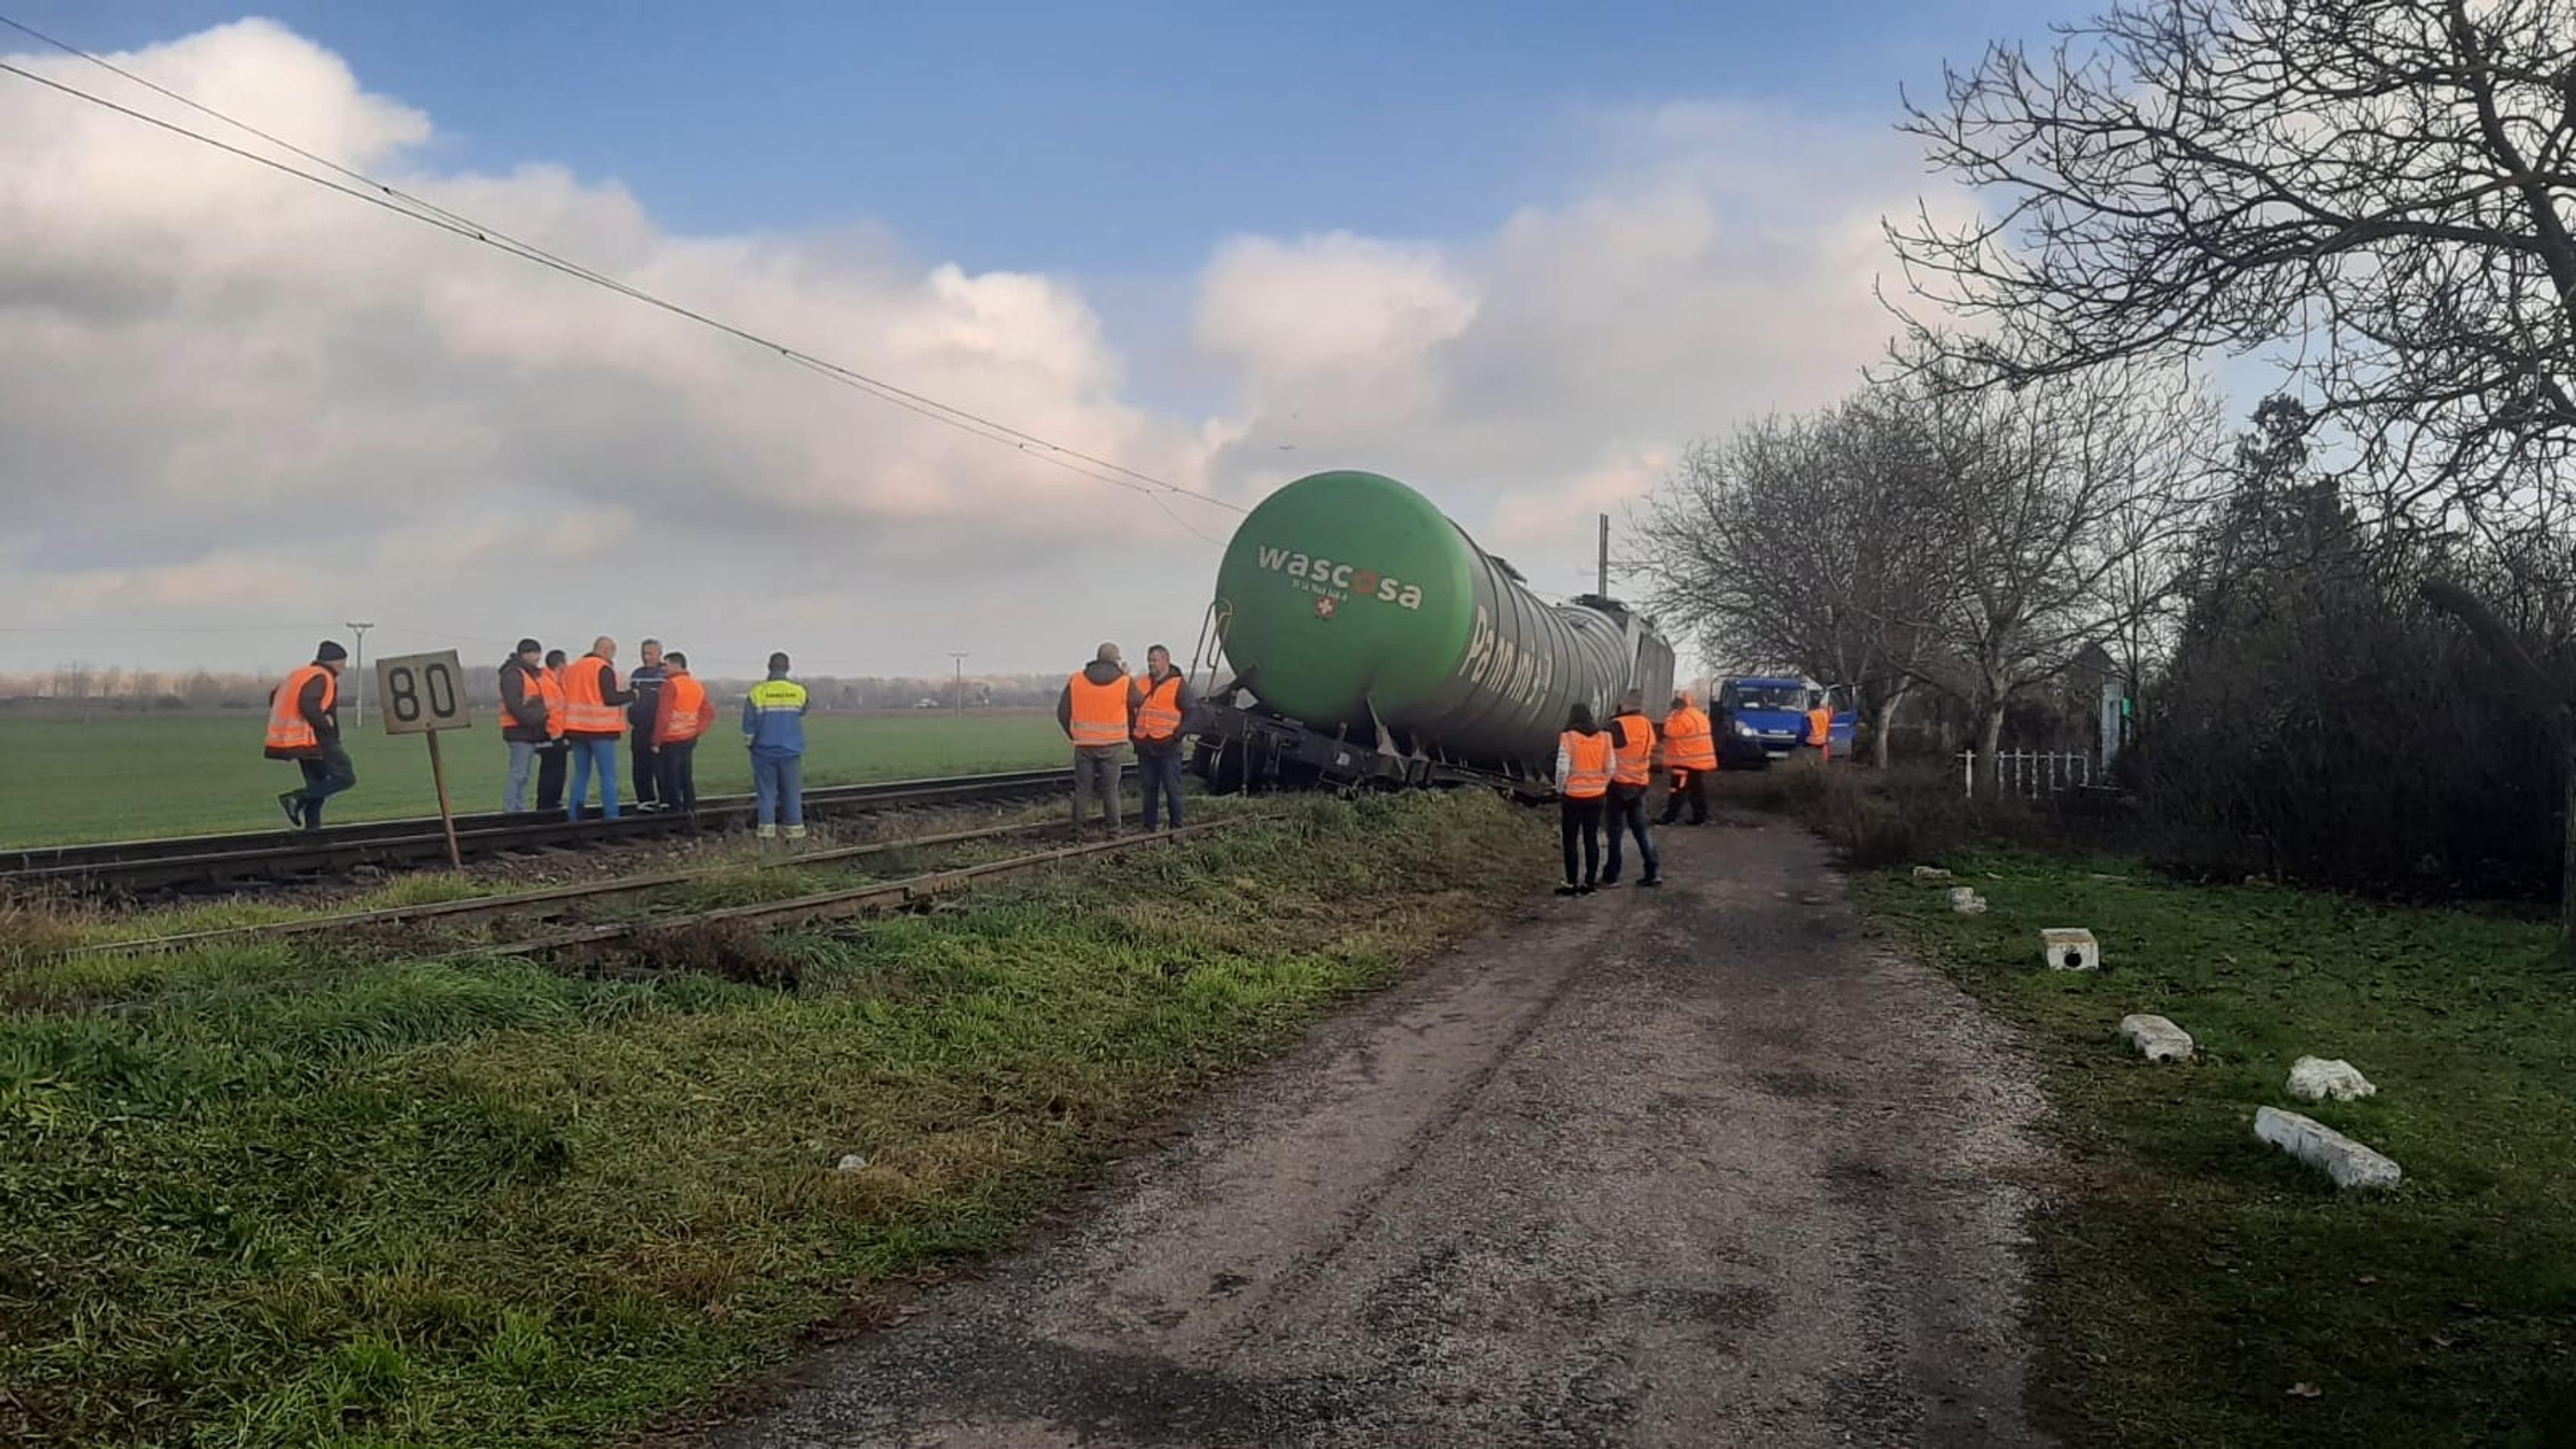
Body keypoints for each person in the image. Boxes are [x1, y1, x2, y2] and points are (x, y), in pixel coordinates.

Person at [265, 640, 354, 832]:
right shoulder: (322, 677)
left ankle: (313, 829)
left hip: (300, 742)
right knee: (345, 777)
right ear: (333, 661)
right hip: (319, 740)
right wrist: (325, 723)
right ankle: (296, 798)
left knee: (318, 784)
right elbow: (308, 704)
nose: (344, 667)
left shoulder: (298, 675)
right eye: (343, 662)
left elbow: (275, 697)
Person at [1058, 642, 1133, 834]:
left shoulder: (1076, 679)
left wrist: (1074, 734)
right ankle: (1114, 830)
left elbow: (1062, 712)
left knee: (1083, 789)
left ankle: (1077, 828)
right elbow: (1140, 702)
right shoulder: (1124, 682)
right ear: (1116, 660)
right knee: (1110, 790)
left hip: (1084, 745)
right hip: (1112, 746)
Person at [562, 636, 632, 821]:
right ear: (607, 650)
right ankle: (611, 815)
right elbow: (610, 698)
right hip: (601, 730)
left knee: (581, 774)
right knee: (608, 775)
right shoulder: (603, 668)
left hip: (576, 728)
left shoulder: (573, 669)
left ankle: (574, 815)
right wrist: (632, 695)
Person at [743, 651, 808, 841]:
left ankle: (767, 838)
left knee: (766, 794)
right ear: (788, 668)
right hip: (791, 751)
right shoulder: (799, 692)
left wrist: (751, 745)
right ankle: (795, 837)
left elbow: (749, 726)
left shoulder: (757, 693)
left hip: (763, 752)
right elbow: (803, 710)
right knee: (792, 794)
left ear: (769, 667)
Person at [1600, 688, 1662, 888]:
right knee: (1641, 830)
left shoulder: (1617, 726)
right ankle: (1652, 871)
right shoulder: (1646, 724)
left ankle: (1611, 876)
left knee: (1615, 833)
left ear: (1624, 705)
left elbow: (1601, 750)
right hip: (1640, 783)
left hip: (1618, 784)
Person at [1131, 644, 1193, 832]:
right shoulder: (1141, 683)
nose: (1151, 664)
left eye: (1154, 660)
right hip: (1145, 746)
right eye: (1149, 660)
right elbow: (1129, 707)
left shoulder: (1179, 685)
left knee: (1173, 790)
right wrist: (1133, 733)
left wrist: (1178, 735)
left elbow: (1192, 713)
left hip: (1168, 747)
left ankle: (1176, 828)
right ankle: (1149, 828)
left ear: (1166, 661)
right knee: (1149, 790)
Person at [1554, 702, 1611, 896]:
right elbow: (1611, 767)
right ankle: (1589, 883)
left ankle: (1571, 883)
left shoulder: (1568, 737)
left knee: (1570, 840)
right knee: (1591, 838)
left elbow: (1562, 769)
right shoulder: (1605, 737)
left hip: (1573, 797)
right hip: (1596, 797)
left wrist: (1560, 788)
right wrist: (1602, 785)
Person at [497, 638, 556, 813]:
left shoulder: (527, 673)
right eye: (535, 653)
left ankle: (518, 810)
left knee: (523, 775)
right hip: (519, 731)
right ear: (525, 654)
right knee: (519, 774)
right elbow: (514, 705)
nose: (538, 657)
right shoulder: (513, 674)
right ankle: (511, 810)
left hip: (527, 731)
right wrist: (535, 719)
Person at [653, 650, 711, 816]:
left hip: (671, 738)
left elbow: (663, 716)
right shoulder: (696, 685)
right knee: (686, 775)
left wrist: (656, 741)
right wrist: (698, 730)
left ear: (677, 665)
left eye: (666, 665)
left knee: (671, 776)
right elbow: (708, 712)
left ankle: (675, 811)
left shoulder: (670, 685)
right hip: (689, 737)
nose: (664, 668)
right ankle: (690, 807)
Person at [1657, 690, 1717, 826]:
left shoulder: (1681, 716)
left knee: (1677, 789)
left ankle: (1670, 817)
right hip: (1697, 761)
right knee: (1696, 789)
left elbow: (1670, 732)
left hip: (1684, 759)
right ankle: (1700, 817)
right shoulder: (1699, 716)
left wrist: (1670, 716)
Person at [626, 638, 667, 810]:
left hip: (659, 727)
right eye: (644, 653)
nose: (646, 657)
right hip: (640, 728)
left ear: (660, 654)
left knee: (662, 766)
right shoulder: (637, 674)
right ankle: (645, 800)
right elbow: (632, 698)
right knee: (640, 765)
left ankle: (666, 800)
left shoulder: (665, 675)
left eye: (651, 653)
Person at [535, 648, 571, 813]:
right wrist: (557, 735)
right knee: (552, 771)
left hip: (557, 733)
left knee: (556, 771)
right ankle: (548, 805)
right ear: (560, 664)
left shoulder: (556, 682)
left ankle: (552, 803)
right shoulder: (548, 684)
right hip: (552, 734)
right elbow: (552, 712)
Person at [1804, 693, 1834, 764]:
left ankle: (1811, 764)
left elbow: (1806, 727)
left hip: (1811, 740)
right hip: (1823, 740)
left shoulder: (1809, 714)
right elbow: (1831, 716)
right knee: (1823, 754)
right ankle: (1824, 764)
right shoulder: (1825, 713)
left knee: (1804, 751)